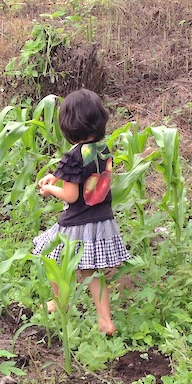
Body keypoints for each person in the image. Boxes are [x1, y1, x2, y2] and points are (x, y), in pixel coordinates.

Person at [31, 88, 129, 335]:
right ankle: (105, 320)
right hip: (101, 219)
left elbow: (71, 195)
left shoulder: (73, 155)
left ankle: (60, 302)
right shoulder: (102, 149)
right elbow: (90, 174)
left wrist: (51, 190)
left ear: (68, 126)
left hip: (77, 223)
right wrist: (57, 175)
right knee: (93, 273)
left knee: (52, 257)